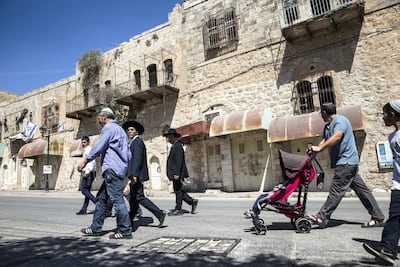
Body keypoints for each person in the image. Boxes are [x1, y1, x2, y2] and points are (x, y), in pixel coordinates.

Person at [308, 103, 385, 228]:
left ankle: (322, 217)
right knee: (363, 191)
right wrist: (315, 152)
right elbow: (325, 140)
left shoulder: (340, 121)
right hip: (348, 163)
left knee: (336, 190)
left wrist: (320, 147)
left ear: (324, 113)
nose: (321, 115)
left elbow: (337, 136)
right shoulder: (328, 126)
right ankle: (378, 217)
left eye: (321, 113)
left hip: (346, 162)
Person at [78, 107, 132, 239]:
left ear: (104, 117)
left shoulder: (108, 128)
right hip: (118, 169)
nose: (99, 119)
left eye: (99, 117)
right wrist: (125, 172)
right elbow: (128, 154)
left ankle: (125, 230)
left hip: (111, 169)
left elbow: (99, 146)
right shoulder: (121, 131)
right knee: (101, 199)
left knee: (117, 200)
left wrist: (85, 160)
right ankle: (96, 228)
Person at [363, 100, 400, 266]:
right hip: (398, 185)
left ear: (392, 115)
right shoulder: (392, 136)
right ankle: (388, 250)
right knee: (395, 217)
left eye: (384, 114)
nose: (382, 117)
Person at [122, 120, 167, 227]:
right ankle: (129, 221)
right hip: (134, 174)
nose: (129, 132)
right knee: (134, 199)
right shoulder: (133, 142)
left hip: (135, 175)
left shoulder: (137, 142)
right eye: (128, 130)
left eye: (132, 130)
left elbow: (137, 159)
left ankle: (159, 213)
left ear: (137, 132)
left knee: (139, 197)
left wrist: (134, 175)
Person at [163, 128, 198, 216]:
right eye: (167, 137)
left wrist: (176, 173)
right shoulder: (174, 146)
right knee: (179, 191)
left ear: (174, 137)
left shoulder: (178, 146)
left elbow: (179, 161)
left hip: (177, 174)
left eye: (170, 137)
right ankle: (192, 201)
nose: (168, 139)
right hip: (175, 173)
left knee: (178, 191)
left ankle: (178, 208)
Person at [76, 136, 97, 215]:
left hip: (89, 173)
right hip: (88, 172)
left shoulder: (89, 150)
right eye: (82, 142)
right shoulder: (86, 150)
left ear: (88, 142)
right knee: (87, 191)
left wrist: (87, 172)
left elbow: (92, 162)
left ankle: (98, 204)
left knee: (83, 189)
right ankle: (84, 209)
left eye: (84, 142)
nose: (83, 144)